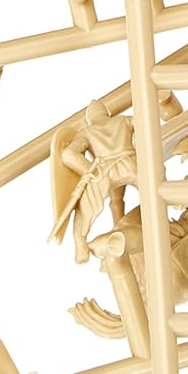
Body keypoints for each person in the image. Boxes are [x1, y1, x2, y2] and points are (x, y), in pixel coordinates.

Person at [51, 101, 140, 263]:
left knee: (85, 210)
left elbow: (67, 155)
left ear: (89, 120)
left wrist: (89, 170)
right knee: (155, 192)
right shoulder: (123, 120)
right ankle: (169, 205)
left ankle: (81, 245)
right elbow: (145, 124)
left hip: (103, 173)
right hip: (132, 164)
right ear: (107, 113)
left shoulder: (87, 132)